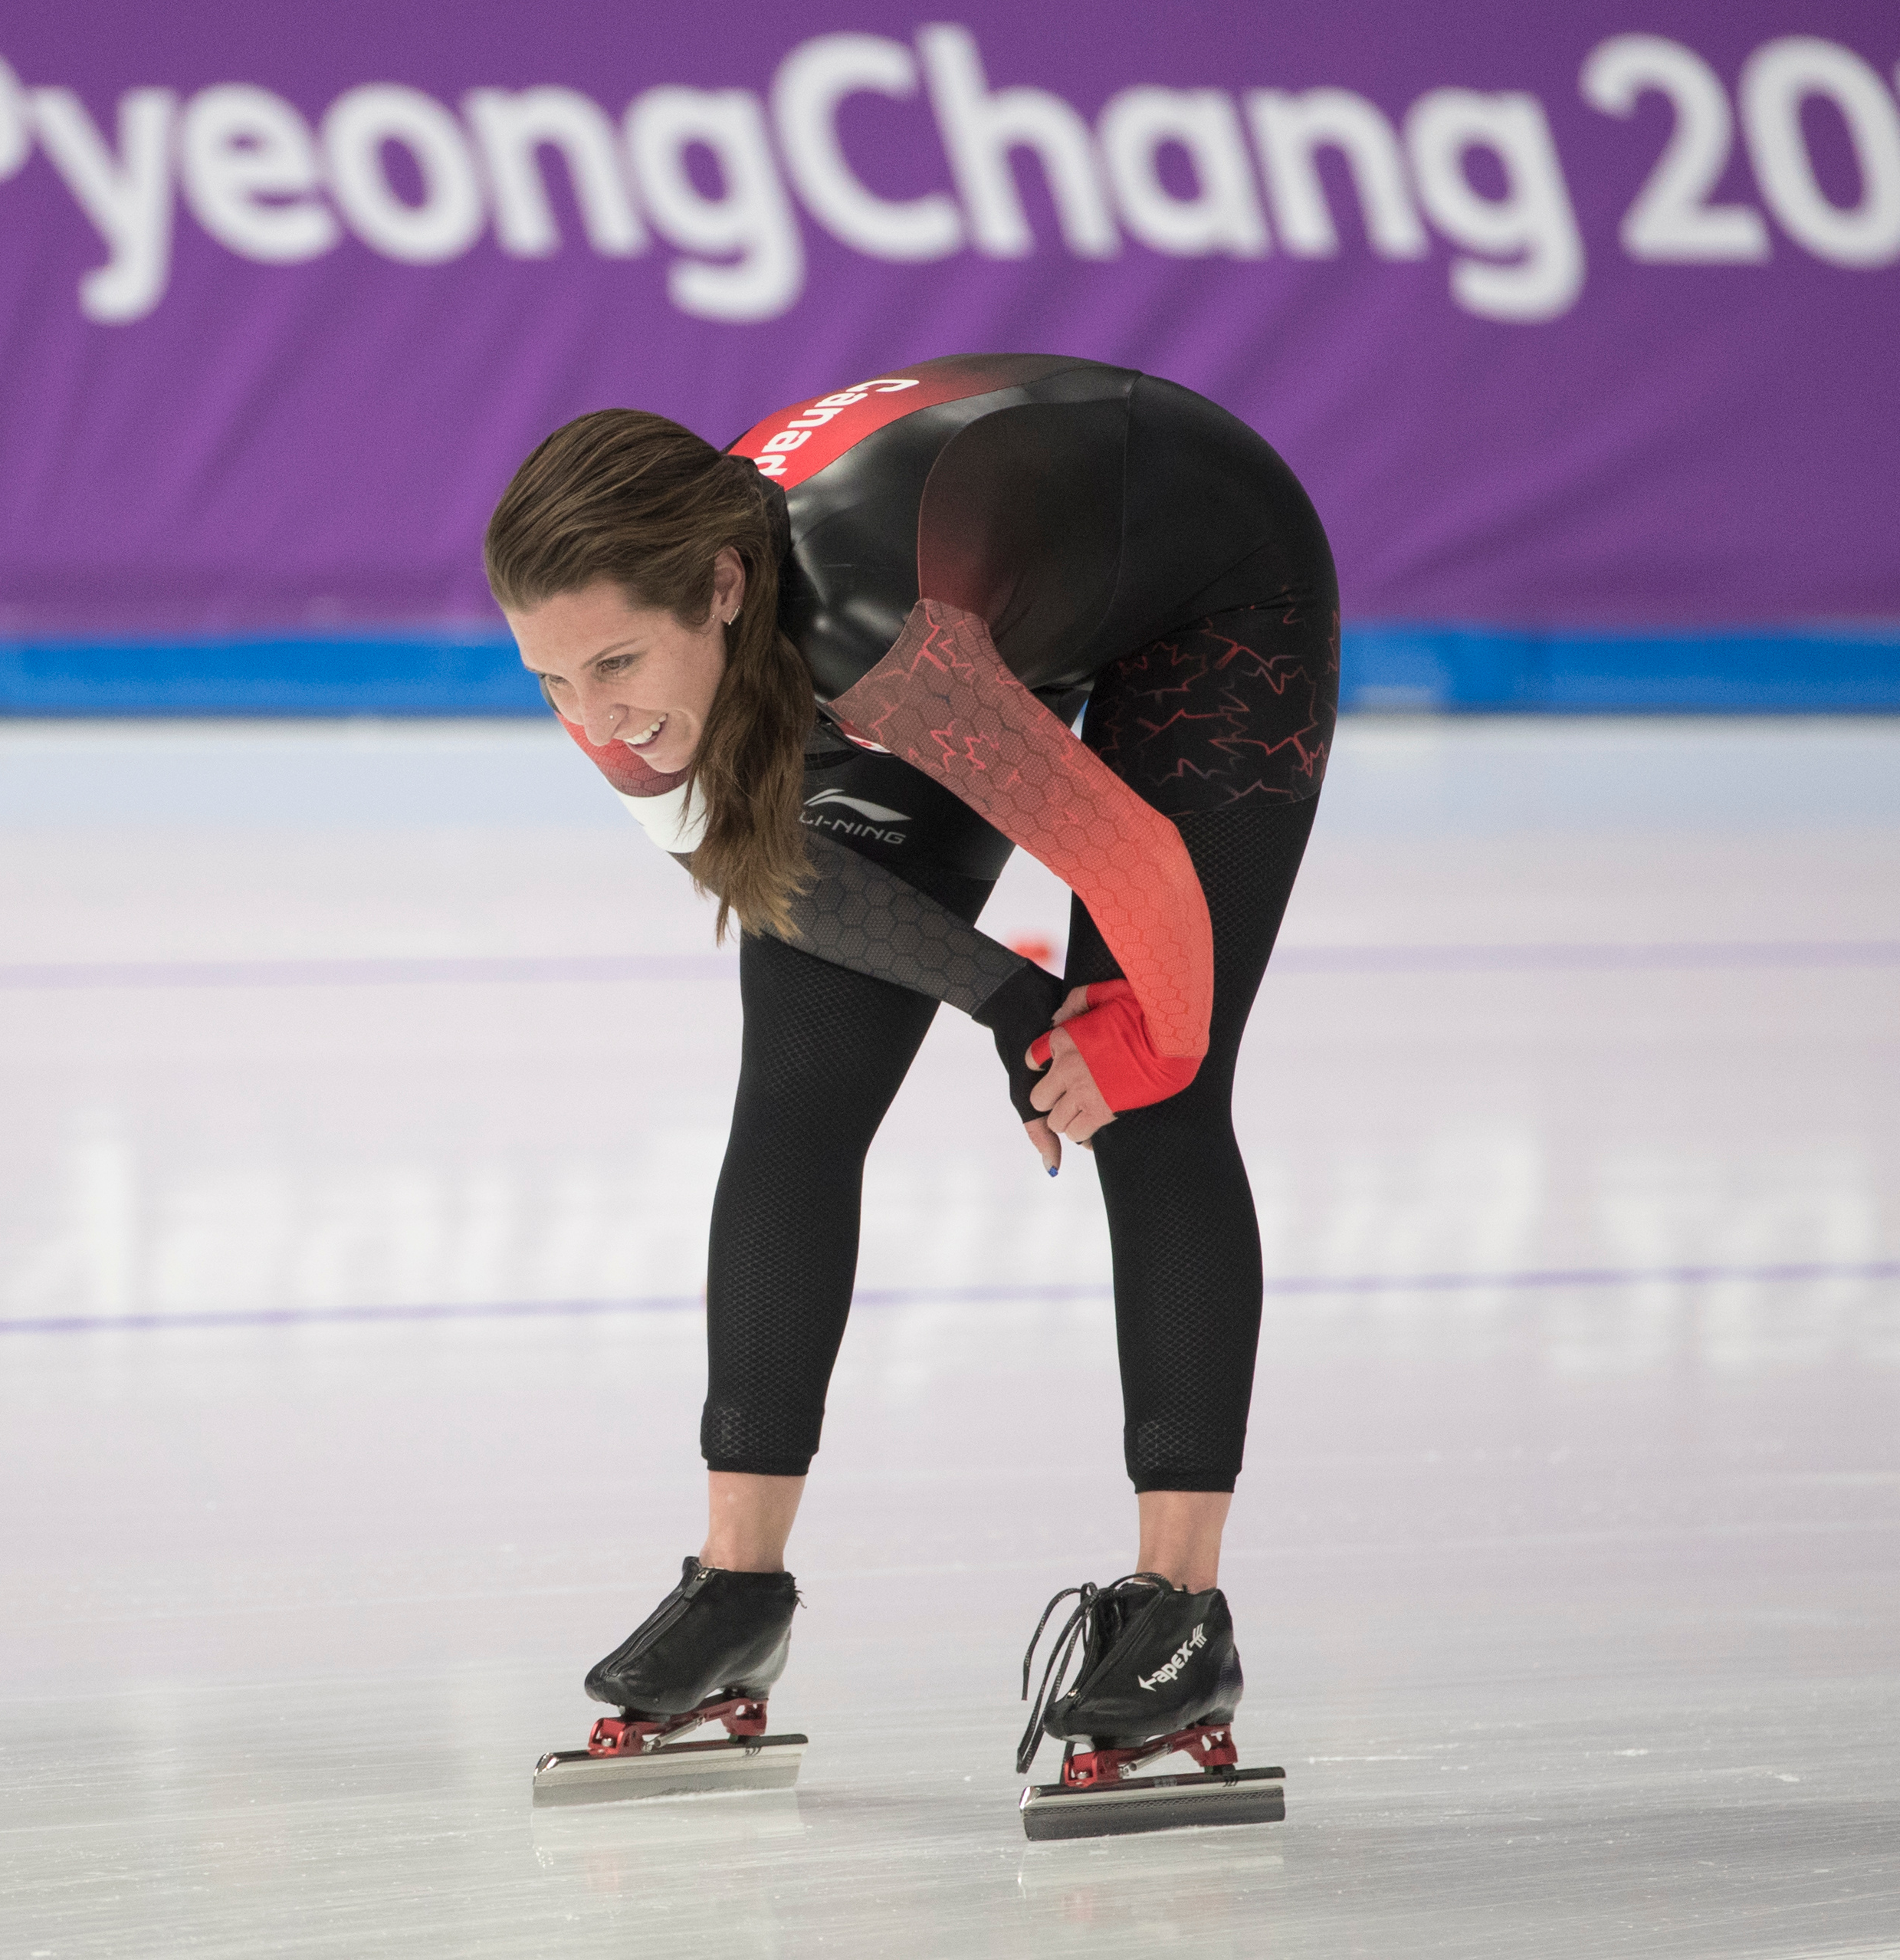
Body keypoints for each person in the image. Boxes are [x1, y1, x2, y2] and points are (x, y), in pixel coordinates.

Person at [490, 354, 1336, 1824]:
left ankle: (1181, 1614)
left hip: (1208, 577)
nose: (598, 724)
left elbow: (1139, 877)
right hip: (990, 591)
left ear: (723, 589)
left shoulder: (875, 632)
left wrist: (1123, 1040)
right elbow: (774, 872)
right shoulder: (626, 639)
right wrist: (1015, 1002)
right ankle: (735, 1588)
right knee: (799, 1080)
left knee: (1156, 1100)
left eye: (619, 669)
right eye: (551, 682)